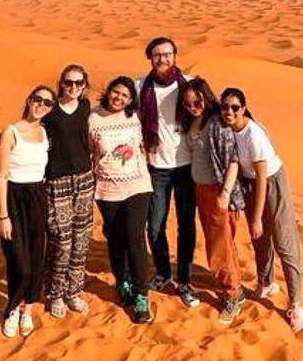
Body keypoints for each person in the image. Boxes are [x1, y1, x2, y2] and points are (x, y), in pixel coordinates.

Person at [215, 87, 303, 332]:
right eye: (225, 107)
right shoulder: (226, 129)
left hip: (271, 183)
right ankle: (267, 283)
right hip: (249, 183)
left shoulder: (253, 134)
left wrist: (256, 217)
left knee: (283, 242)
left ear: (243, 109)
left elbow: (263, 177)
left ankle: (296, 303)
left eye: (235, 107)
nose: (229, 111)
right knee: (260, 239)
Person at [179, 78, 247, 325]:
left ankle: (231, 296)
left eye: (197, 102)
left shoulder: (217, 123)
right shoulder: (194, 121)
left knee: (219, 247)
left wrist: (224, 194)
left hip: (217, 192)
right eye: (188, 104)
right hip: (201, 191)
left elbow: (233, 160)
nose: (193, 107)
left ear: (206, 98)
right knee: (221, 242)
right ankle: (237, 289)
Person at [138, 37, 199, 308]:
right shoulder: (140, 87)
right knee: (155, 226)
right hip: (156, 168)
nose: (162, 59)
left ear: (175, 56)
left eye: (167, 54)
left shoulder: (190, 84)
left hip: (187, 168)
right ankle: (163, 272)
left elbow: (212, 111)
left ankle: (184, 280)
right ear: (150, 58)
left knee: (186, 226)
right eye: (157, 55)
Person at [89, 76, 154, 325]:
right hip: (106, 189)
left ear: (130, 100)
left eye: (125, 96)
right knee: (115, 238)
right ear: (108, 91)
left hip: (137, 186)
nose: (119, 98)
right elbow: (86, 150)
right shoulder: (93, 118)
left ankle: (141, 295)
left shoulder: (134, 116)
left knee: (135, 237)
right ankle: (122, 281)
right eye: (116, 92)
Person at [0, 85, 55, 338]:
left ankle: (27, 309)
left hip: (38, 197)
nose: (42, 105)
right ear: (29, 100)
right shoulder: (10, 132)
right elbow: (1, 176)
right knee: (18, 262)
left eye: (48, 103)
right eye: (38, 99)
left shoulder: (45, 133)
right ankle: (12, 309)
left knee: (36, 258)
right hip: (14, 198)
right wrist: (4, 216)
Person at [42, 63, 95, 318]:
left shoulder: (85, 108)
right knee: (61, 241)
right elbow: (31, 126)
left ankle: (74, 291)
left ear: (84, 86)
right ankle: (56, 293)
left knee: (81, 239)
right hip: (57, 181)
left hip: (84, 179)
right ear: (61, 84)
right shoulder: (50, 111)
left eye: (78, 83)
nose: (73, 87)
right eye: (68, 82)